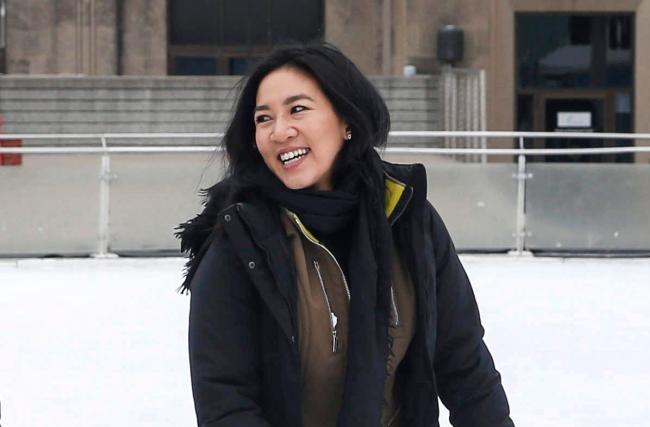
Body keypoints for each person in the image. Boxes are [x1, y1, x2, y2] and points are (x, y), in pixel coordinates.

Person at [177, 44, 515, 427]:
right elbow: (226, 404)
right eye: (263, 118)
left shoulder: (407, 217)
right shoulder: (240, 240)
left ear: (346, 120)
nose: (280, 131)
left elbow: (465, 365)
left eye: (297, 109)